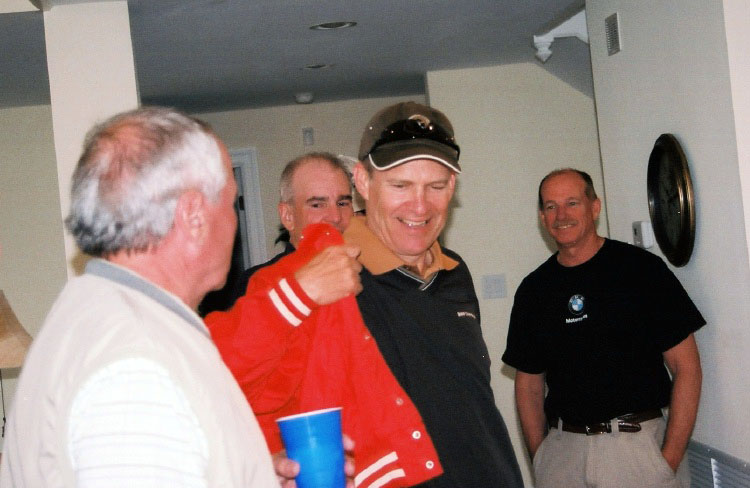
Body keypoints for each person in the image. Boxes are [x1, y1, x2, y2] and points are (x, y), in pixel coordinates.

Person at [0, 107, 279, 487]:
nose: (233, 221)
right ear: (194, 214)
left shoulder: (103, 315)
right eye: (230, 202)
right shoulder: (136, 370)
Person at [345, 101, 524, 487]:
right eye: (400, 185)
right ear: (362, 182)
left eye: (436, 186)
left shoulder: (455, 271)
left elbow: (472, 402)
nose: (420, 205)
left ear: (453, 187)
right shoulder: (333, 279)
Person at [502, 168, 704, 488]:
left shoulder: (642, 270)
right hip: (563, 457)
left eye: (572, 203)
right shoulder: (534, 291)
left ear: (594, 207)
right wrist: (542, 458)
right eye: (551, 206)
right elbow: (528, 386)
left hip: (637, 451)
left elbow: (687, 367)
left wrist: (669, 458)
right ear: (542, 217)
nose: (561, 215)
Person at [227, 152, 354, 305]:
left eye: (342, 203)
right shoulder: (259, 286)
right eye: (317, 205)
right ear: (288, 216)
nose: (336, 217)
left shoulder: (370, 277)